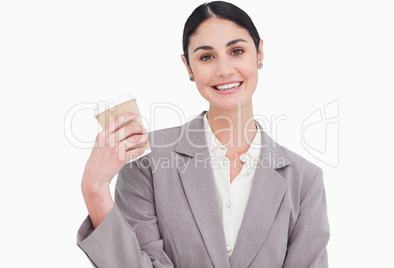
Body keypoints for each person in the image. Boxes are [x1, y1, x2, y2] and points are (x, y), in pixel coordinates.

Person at [77, 1, 330, 267]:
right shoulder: (147, 161)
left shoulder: (305, 180)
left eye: (237, 51)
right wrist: (94, 189)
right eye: (206, 56)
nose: (224, 69)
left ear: (259, 54)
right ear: (188, 67)